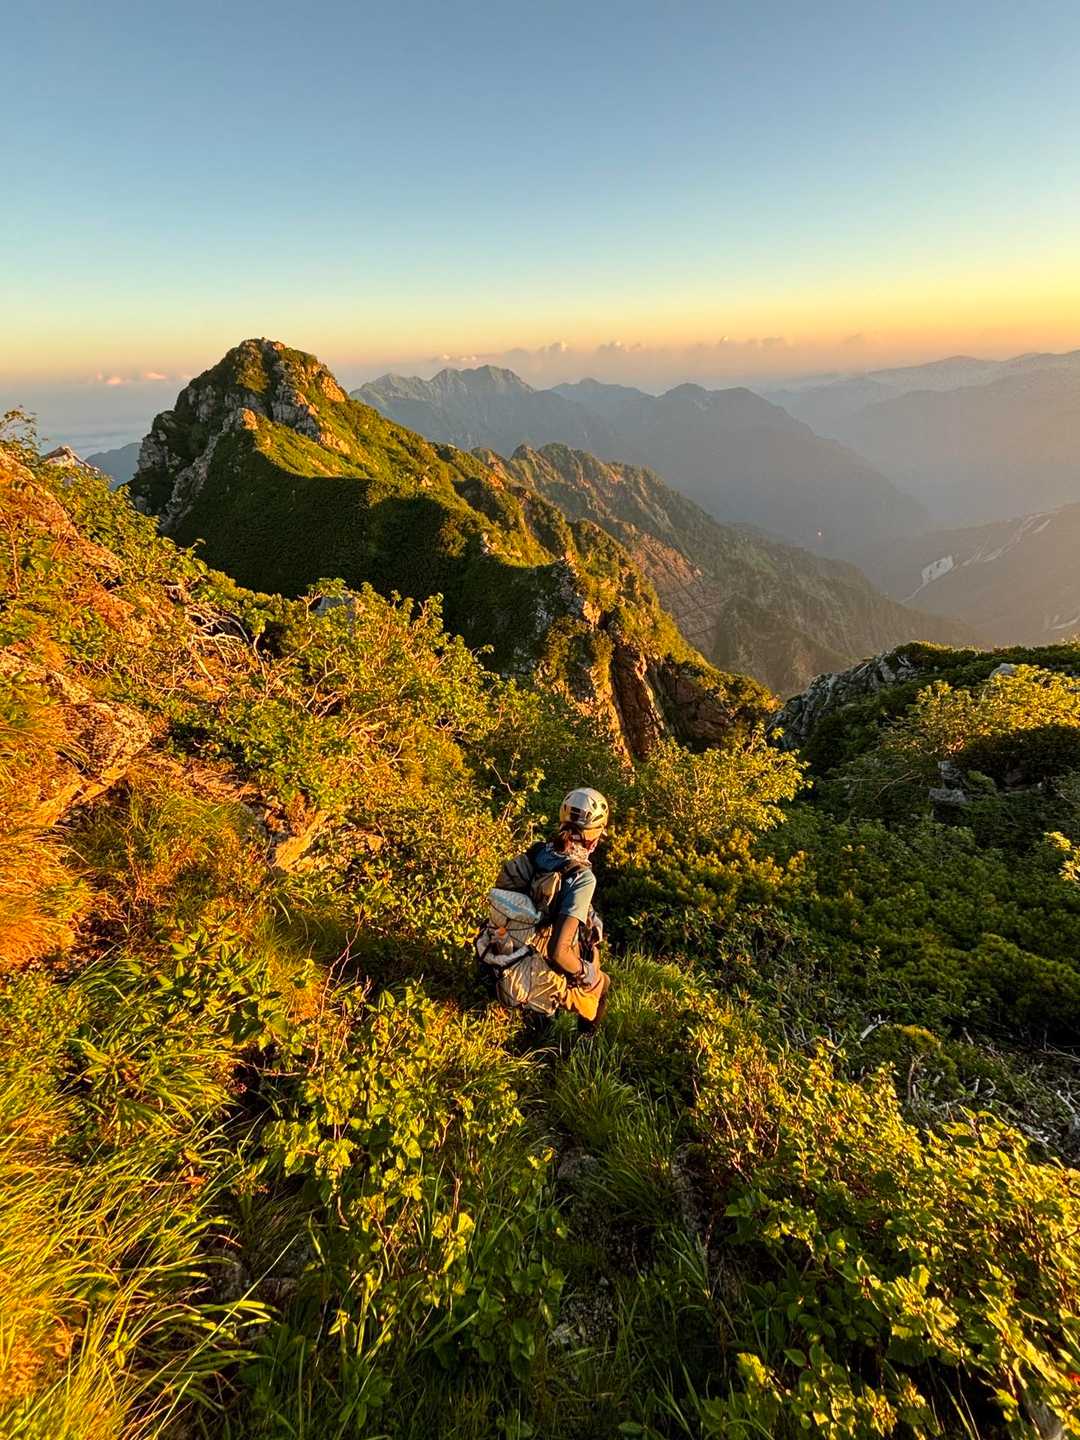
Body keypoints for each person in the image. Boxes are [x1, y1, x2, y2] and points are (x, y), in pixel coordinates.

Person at [490, 787, 611, 1031]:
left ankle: (539, 1022)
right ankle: (584, 1042)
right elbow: (558, 952)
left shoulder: (538, 851)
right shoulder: (582, 877)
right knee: (601, 982)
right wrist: (586, 974)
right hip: (536, 959)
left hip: (508, 946)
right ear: (594, 836)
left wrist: (588, 914)